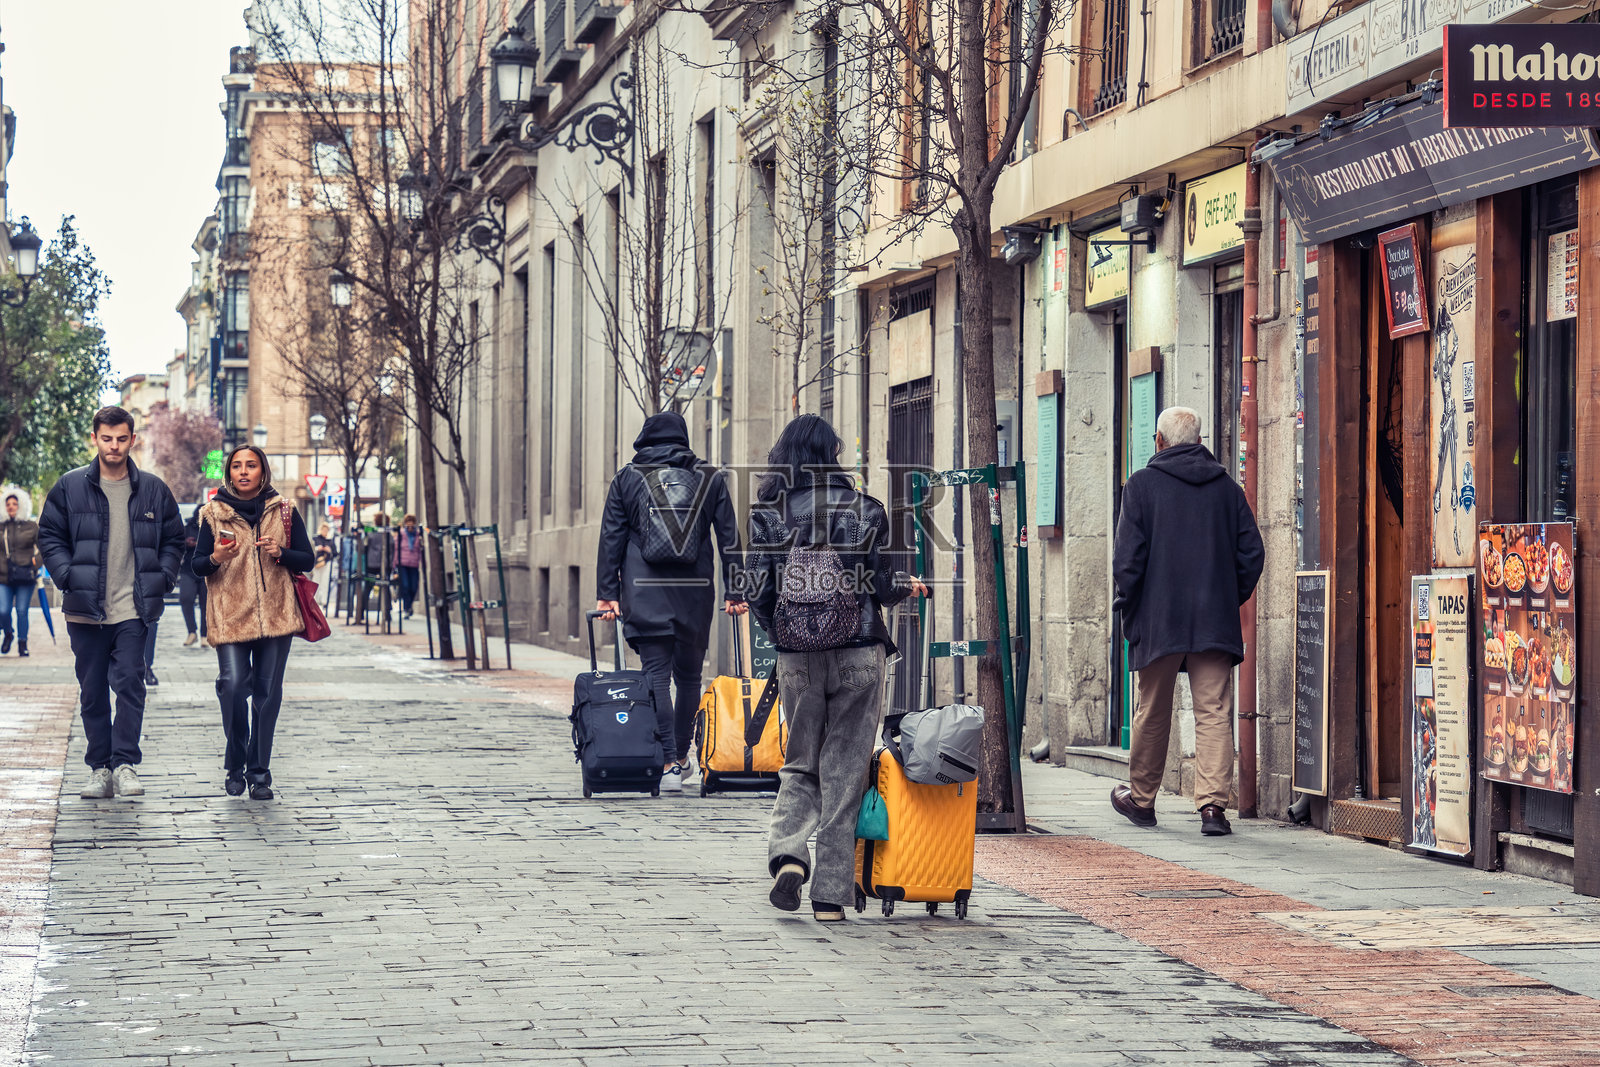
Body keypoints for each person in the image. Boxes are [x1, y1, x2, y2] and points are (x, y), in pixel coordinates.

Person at [743, 414, 927, 922]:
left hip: (797, 658)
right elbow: (882, 586)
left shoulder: (768, 513)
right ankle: (829, 897)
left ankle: (788, 859)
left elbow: (757, 590)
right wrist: (907, 588)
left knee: (800, 762)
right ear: (834, 455)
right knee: (846, 772)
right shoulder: (867, 510)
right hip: (859, 649)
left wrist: (781, 634)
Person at [1110, 406, 1264, 837]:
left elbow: (1127, 563)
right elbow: (1252, 554)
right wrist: (1226, 596)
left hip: (1158, 619)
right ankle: (1213, 809)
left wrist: (1133, 604)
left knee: (1152, 710)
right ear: (1199, 441)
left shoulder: (1140, 487)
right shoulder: (1227, 490)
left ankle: (1141, 801)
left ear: (1159, 441)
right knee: (1214, 711)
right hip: (1213, 619)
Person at [37, 406, 184, 800]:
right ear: (95, 438)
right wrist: (67, 576)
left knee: (130, 685)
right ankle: (99, 768)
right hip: (85, 610)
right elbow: (49, 534)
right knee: (92, 691)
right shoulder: (70, 487)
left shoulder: (153, 488)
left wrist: (165, 576)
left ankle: (124, 764)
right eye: (107, 438)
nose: (114, 446)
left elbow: (174, 538)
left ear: (132, 439)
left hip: (133, 610)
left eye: (121, 438)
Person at [596, 411, 744, 794]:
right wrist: (736, 591)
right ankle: (681, 755)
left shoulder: (627, 478)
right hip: (693, 590)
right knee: (690, 677)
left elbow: (611, 537)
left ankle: (665, 763)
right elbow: (729, 536)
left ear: (644, 439)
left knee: (655, 675)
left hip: (643, 588)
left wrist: (607, 593)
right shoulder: (710, 478)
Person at [192, 444, 315, 800]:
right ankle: (235, 763)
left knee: (266, 695)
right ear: (228, 473)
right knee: (232, 685)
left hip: (277, 617)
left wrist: (281, 553)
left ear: (263, 471)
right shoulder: (212, 515)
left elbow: (306, 559)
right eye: (237, 466)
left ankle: (259, 773)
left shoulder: (285, 511)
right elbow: (197, 565)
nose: (244, 472)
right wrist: (215, 556)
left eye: (251, 465)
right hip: (230, 616)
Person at [1, 492, 41, 656]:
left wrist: (35, 562)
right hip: (3, 576)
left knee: (22, 611)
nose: (11, 506)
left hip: (25, 575)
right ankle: (8, 633)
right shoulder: (1, 526)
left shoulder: (31, 526)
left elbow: (45, 548)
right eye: (8, 504)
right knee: (3, 610)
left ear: (21, 506)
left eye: (14, 504)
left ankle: (22, 643)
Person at [178, 505, 208, 647]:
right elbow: (176, 545)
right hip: (188, 569)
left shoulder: (214, 527)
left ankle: (204, 635)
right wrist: (186, 544)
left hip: (207, 570)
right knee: (185, 598)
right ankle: (192, 632)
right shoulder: (188, 527)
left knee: (206, 604)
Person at [396, 514, 422, 618]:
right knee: (405, 586)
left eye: (412, 522)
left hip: (414, 564)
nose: (410, 525)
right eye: (408, 522)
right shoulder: (401, 534)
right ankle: (406, 608)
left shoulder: (418, 535)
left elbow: (420, 550)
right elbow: (396, 548)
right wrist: (394, 564)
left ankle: (409, 605)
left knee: (414, 587)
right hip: (402, 564)